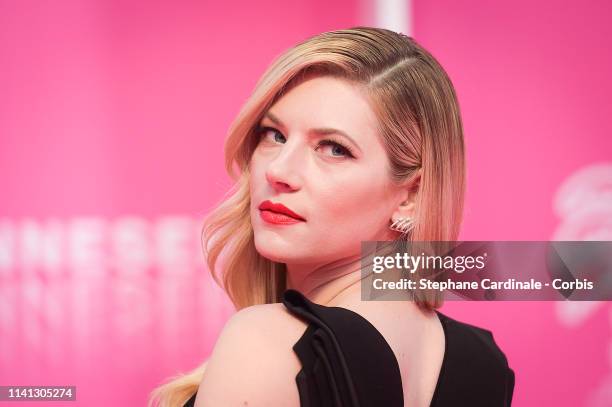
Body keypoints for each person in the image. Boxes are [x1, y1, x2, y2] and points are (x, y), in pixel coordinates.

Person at [149, 26, 515, 407]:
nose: (279, 171)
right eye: (274, 134)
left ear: (411, 195)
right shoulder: (484, 362)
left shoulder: (269, 342)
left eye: (334, 149)